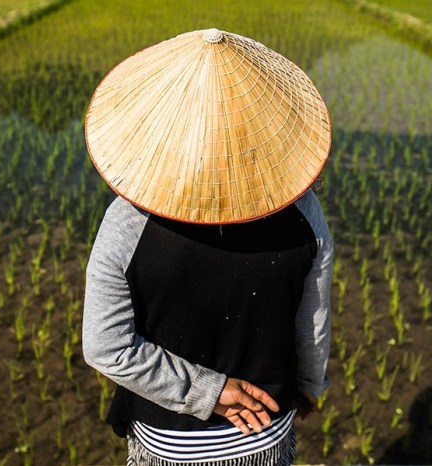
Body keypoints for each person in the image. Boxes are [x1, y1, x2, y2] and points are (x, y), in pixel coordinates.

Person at [82, 28, 333, 466]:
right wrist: (309, 387)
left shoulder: (128, 220)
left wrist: (207, 392)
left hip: (169, 443)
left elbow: (106, 346)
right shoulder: (303, 213)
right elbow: (312, 325)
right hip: (264, 431)